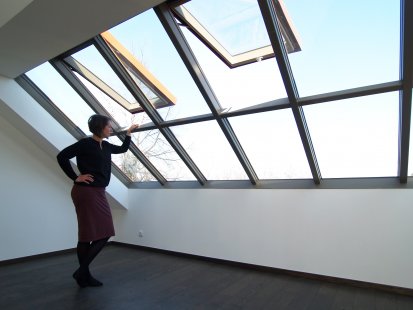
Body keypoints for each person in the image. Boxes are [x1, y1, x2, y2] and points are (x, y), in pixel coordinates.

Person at [57, 114, 139, 288]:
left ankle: (83, 275)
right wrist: (75, 177)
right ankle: (82, 272)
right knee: (97, 233)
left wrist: (129, 133)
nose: (111, 129)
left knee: (93, 235)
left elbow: (123, 149)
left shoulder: (107, 146)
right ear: (100, 127)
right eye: (108, 126)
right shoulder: (85, 144)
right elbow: (62, 157)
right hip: (85, 192)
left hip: (98, 192)